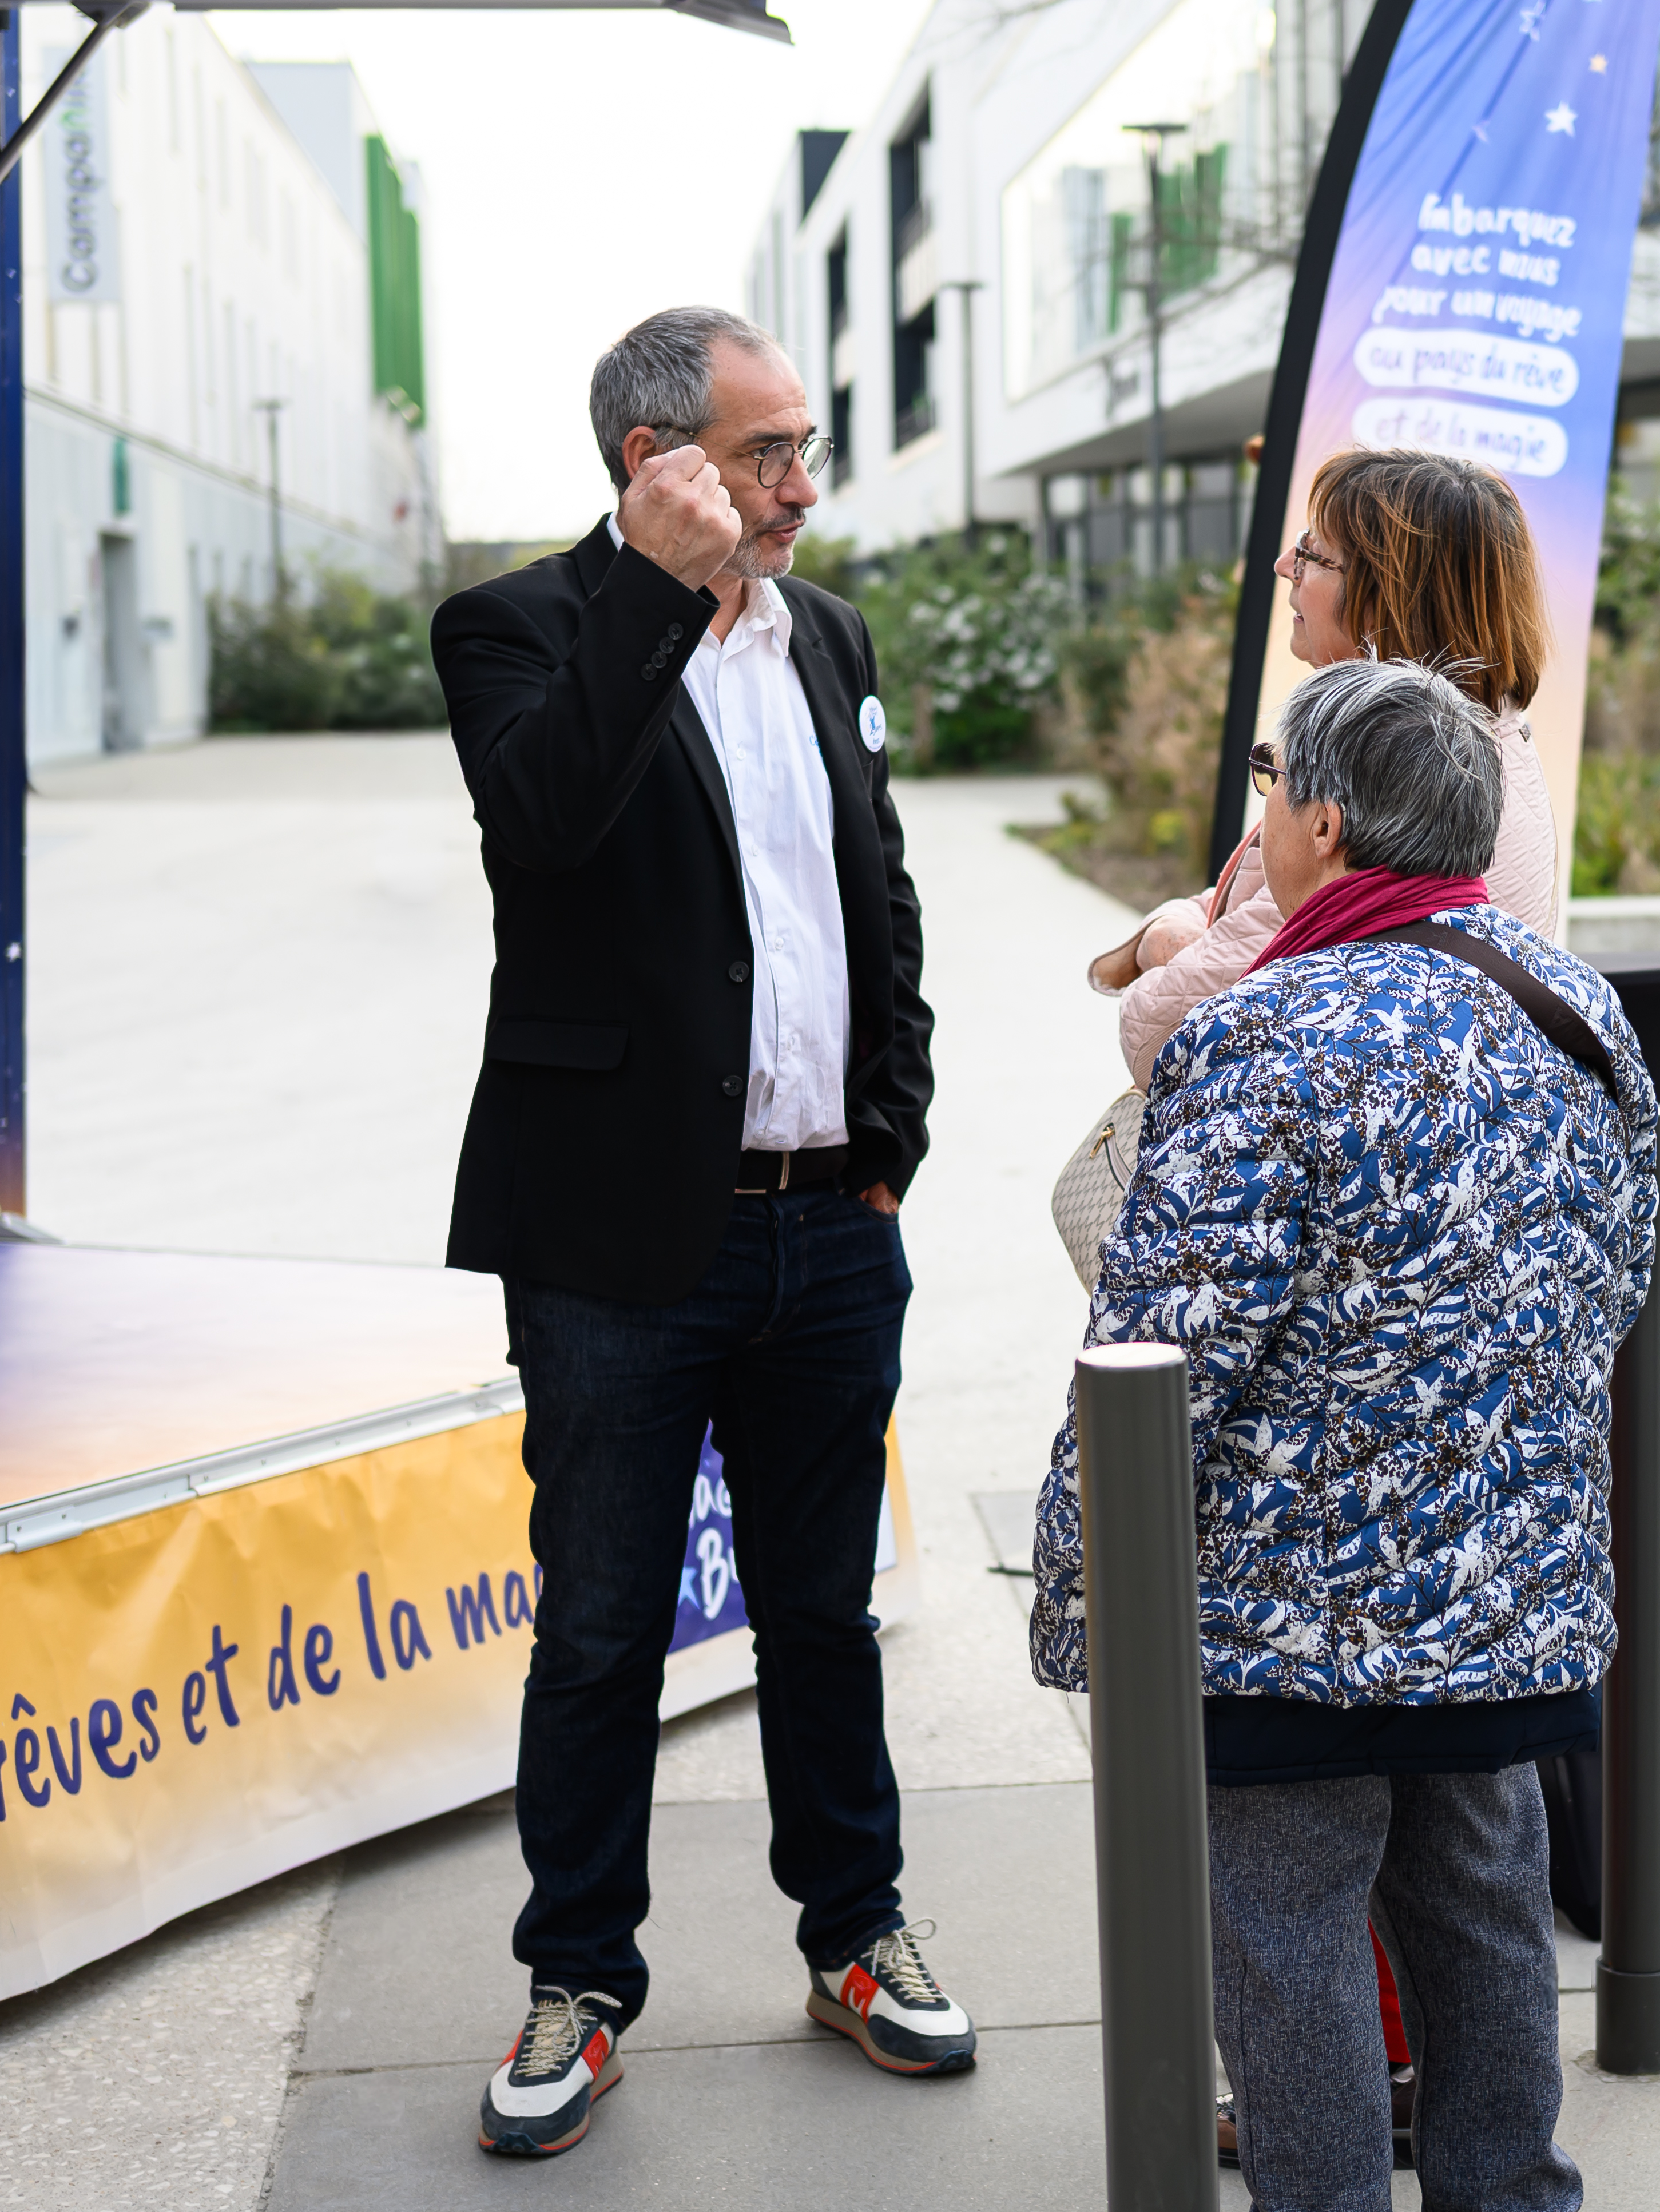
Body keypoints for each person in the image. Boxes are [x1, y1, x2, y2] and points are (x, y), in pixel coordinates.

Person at [431, 307, 968, 2160]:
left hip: (829, 1226)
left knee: (824, 1614)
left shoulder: (828, 635)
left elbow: (874, 887)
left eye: (803, 446)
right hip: (613, 1246)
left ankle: (854, 1936)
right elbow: (546, 825)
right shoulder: (515, 627)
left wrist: (892, 1125)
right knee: (599, 1630)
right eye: (764, 454)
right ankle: (577, 1981)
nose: (801, 486)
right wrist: (659, 597)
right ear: (653, 463)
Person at [1030, 661, 1658, 2212]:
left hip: (1284, 1626)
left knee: (1291, 1949)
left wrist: (1077, 1584)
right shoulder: (1573, 1008)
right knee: (1485, 1920)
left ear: (1321, 822)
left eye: (1272, 795)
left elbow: (1160, 1355)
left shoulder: (1266, 1033)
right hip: (1500, 1602)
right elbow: (1620, 1277)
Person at [1091, 446, 1564, 1089]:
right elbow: (1263, 905)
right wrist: (1186, 929)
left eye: (1313, 555)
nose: (1284, 565)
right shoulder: (1465, 743)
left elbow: (1164, 1034)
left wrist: (1161, 939)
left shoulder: (1402, 780)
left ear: (1387, 598)